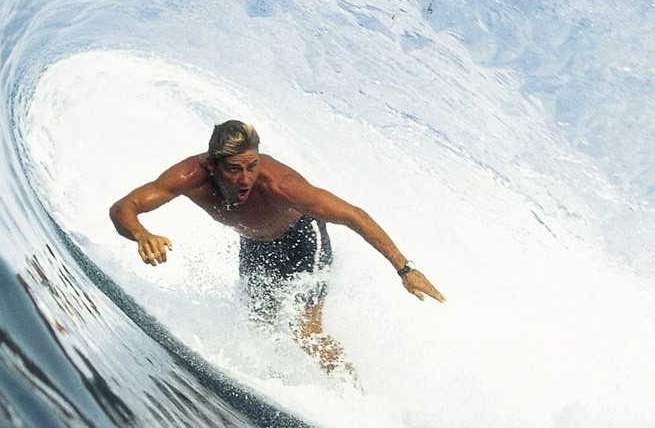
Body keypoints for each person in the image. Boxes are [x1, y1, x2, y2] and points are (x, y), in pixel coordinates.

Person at [109, 120, 444, 372]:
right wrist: (141, 234)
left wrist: (405, 269)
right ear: (212, 165)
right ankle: (282, 384)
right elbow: (124, 207)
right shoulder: (188, 176)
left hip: (302, 240)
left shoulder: (280, 185)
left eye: (252, 166)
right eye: (234, 169)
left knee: (306, 331)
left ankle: (355, 395)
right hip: (255, 245)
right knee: (257, 324)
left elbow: (354, 216)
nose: (245, 179)